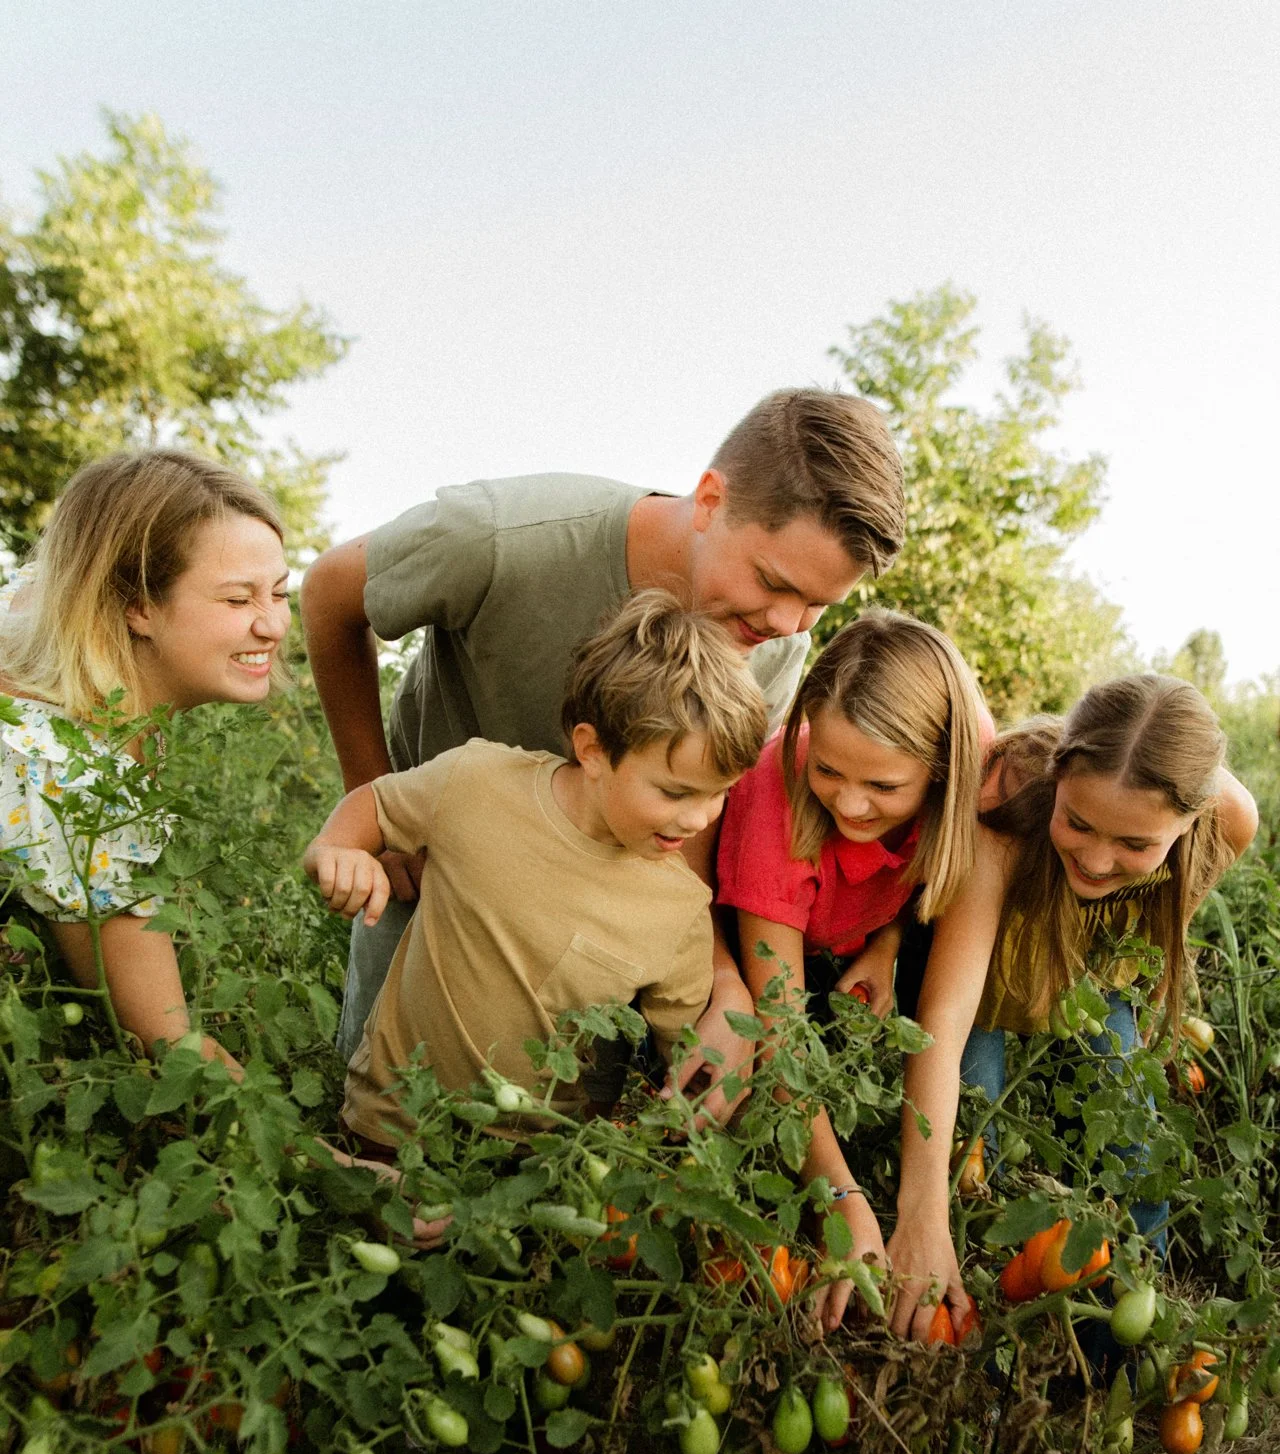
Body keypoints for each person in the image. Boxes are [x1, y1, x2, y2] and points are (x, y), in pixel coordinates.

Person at [299, 389, 905, 1118]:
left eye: (817, 604)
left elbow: (697, 811)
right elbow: (331, 593)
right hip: (437, 888)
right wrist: (375, 807)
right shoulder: (505, 537)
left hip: (608, 932)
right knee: (384, 1115)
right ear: (711, 499)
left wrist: (722, 977)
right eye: (774, 582)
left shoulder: (773, 649)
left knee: (555, 1132)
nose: (785, 622)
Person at [301, 591, 768, 1155]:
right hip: (388, 1124)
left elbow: (692, 1048)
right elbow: (374, 805)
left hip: (537, 1162)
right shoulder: (478, 782)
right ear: (592, 750)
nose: (698, 819)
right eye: (674, 792)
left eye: (719, 794)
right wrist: (339, 848)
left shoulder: (679, 906)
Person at [888, 675, 1259, 1342]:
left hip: (1090, 973)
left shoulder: (1227, 817)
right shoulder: (1004, 815)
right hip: (992, 979)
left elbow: (1170, 913)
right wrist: (921, 1214)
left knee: (1134, 1134)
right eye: (1079, 823)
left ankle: (1134, 1304)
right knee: (974, 1131)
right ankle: (990, 1297)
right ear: (1058, 775)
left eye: (1136, 845)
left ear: (1188, 819)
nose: (1095, 857)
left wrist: (1133, 997)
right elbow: (943, 1022)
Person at [717, 609, 985, 1329]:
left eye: (885, 788)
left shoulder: (973, 784)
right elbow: (778, 1024)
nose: (850, 801)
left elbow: (944, 1011)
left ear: (941, 775)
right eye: (828, 770)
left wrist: (892, 940)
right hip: (759, 949)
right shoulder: (778, 798)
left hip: (851, 937)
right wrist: (843, 1200)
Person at [0, 450, 291, 1070]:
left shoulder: (51, 630)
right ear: (136, 605)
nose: (272, 626)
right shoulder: (72, 779)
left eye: (280, 592)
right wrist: (334, 1166)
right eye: (238, 601)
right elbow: (166, 1051)